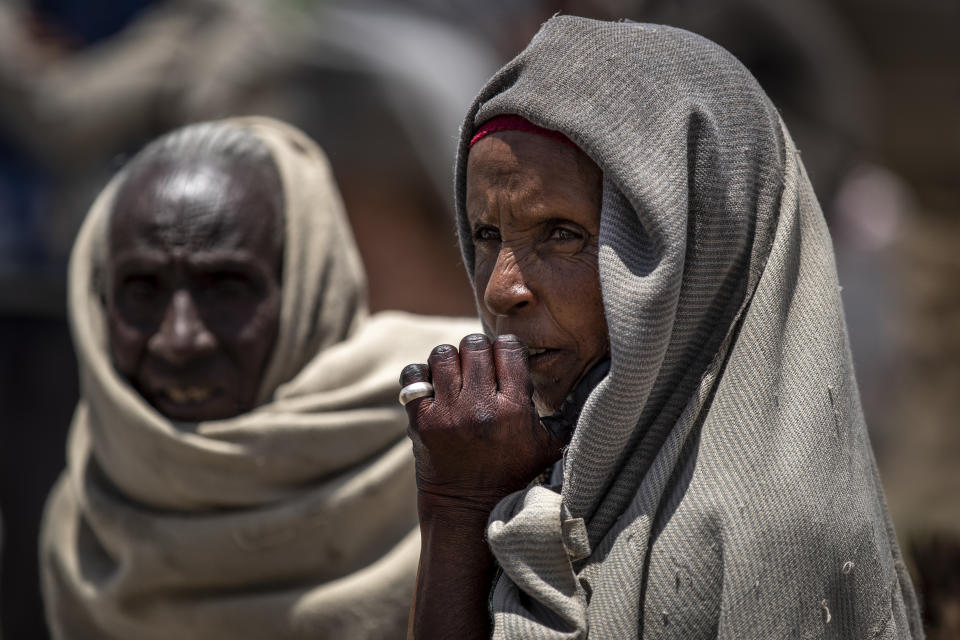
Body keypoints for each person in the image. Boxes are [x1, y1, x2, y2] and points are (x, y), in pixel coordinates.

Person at [399, 16, 924, 639]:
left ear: (698, 253)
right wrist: (458, 509)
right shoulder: (537, 477)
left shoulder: (764, 540)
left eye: (561, 235)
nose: (499, 289)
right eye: (487, 235)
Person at [40, 116, 476, 639]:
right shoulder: (87, 515)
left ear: (310, 287)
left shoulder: (463, 417)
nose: (179, 340)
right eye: (143, 288)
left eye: (225, 287)